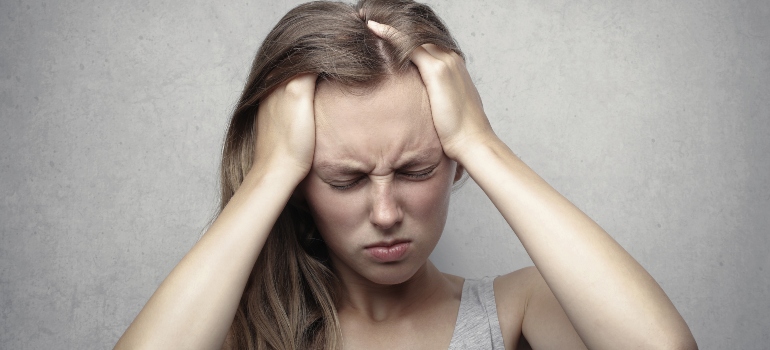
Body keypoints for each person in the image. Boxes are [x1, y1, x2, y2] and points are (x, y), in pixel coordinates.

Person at [116, 0, 698, 349]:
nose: (388, 212)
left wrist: (480, 142)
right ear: (300, 190)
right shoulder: (233, 329)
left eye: (417, 169)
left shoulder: (520, 307)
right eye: (344, 179)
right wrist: (270, 173)